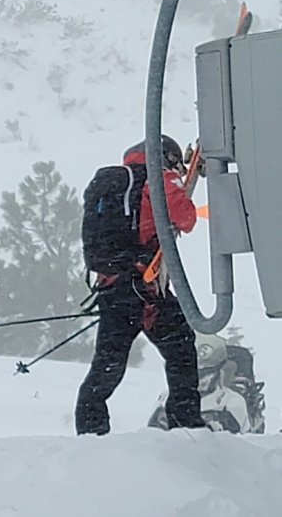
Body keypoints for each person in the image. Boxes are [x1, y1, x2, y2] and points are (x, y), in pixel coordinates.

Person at [76, 135, 204, 435]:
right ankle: (186, 423)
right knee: (181, 349)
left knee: (108, 363)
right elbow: (185, 217)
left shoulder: (116, 184)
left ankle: (90, 432)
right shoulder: (158, 178)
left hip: (113, 287)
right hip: (143, 287)